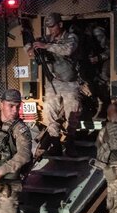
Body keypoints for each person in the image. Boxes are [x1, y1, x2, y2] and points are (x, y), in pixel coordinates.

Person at [26, 12, 81, 156]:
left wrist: (46, 46)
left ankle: (70, 142)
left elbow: (68, 49)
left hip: (70, 83)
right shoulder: (46, 39)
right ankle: (56, 143)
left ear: (60, 25)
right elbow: (30, 49)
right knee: (48, 112)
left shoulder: (71, 37)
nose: (50, 30)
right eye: (48, 27)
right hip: (53, 83)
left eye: (53, 27)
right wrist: (31, 48)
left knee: (72, 114)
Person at [88, 26, 111, 117]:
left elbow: (111, 51)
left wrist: (99, 57)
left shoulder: (109, 43)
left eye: (100, 36)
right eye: (96, 36)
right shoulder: (94, 45)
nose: (98, 38)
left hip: (106, 71)